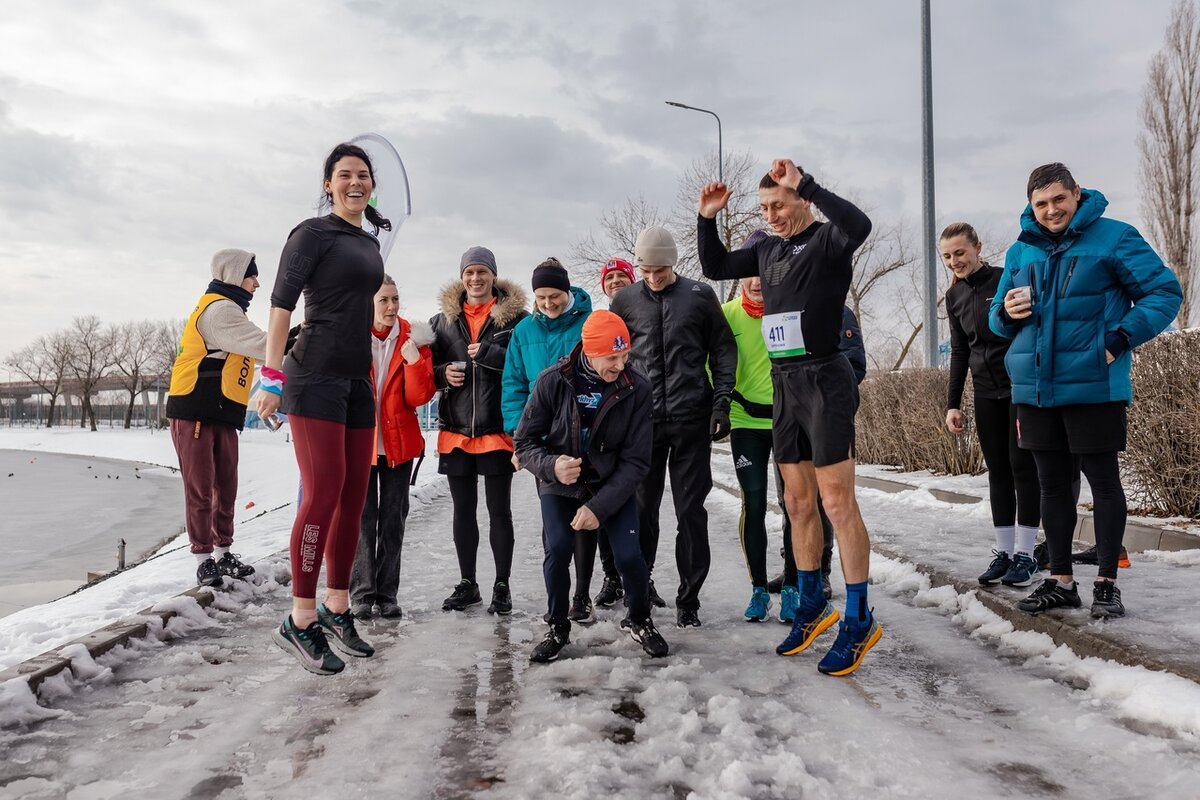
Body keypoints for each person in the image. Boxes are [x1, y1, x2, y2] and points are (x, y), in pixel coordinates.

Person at [698, 158, 881, 676]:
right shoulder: (765, 249)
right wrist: (707, 218)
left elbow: (860, 225)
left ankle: (859, 617)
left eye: (779, 205)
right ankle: (811, 604)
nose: (772, 215)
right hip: (785, 383)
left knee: (836, 502)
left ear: (801, 199)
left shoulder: (828, 240)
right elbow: (715, 268)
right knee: (798, 502)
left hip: (826, 379)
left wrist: (811, 185)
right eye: (764, 208)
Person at [989, 163, 1181, 619]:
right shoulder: (1021, 250)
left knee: (1104, 483)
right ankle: (1060, 580)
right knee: (1051, 486)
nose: (1051, 210)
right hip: (1035, 389)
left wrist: (1117, 340)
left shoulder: (1114, 237)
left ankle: (1107, 583)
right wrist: (1007, 313)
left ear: (1076, 194)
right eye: (1041, 203)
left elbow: (1164, 292)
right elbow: (996, 315)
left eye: (1059, 199)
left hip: (1094, 383)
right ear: (1030, 207)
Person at [255, 142, 388, 675]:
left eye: (363, 175)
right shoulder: (310, 234)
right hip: (313, 378)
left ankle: (337, 606)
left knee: (355, 496)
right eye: (344, 175)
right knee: (324, 492)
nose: (355, 183)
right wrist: (271, 375)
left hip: (358, 379)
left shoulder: (369, 242)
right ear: (328, 184)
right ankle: (300, 618)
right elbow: (281, 305)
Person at [515, 310, 669, 662]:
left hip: (609, 482)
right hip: (561, 482)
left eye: (625, 355)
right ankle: (557, 625)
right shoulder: (552, 380)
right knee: (557, 549)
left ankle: (639, 618)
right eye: (612, 357)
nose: (620, 364)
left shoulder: (637, 387)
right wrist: (552, 466)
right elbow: (523, 443)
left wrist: (599, 507)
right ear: (589, 351)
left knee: (630, 555)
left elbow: (637, 462)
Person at [610, 226, 737, 627]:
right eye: (645, 270)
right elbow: (612, 357)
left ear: (673, 264)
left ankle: (689, 600)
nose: (653, 277)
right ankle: (641, 588)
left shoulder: (699, 296)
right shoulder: (624, 300)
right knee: (642, 510)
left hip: (690, 418)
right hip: (642, 422)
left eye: (660, 270)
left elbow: (722, 349)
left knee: (690, 512)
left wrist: (721, 401)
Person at [941, 222, 1043, 589]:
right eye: (948, 256)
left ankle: (1027, 554)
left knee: (1022, 467)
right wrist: (953, 403)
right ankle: (1004, 553)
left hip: (1018, 388)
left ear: (978, 247)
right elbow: (959, 351)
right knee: (997, 469)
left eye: (960, 253)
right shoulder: (953, 298)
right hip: (985, 393)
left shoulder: (1004, 279)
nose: (954, 261)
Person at [431, 246, 528, 615]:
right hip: (456, 431)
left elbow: (525, 365)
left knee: (499, 511)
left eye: (482, 272)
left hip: (496, 429)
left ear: (493, 275)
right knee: (463, 511)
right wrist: (443, 375)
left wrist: (488, 355)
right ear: (462, 276)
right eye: (469, 272)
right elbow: (430, 369)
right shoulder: (442, 321)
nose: (475, 279)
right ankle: (468, 583)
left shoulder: (516, 319)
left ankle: (502, 584)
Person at [501, 257, 595, 622]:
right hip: (544, 442)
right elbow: (513, 387)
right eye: (540, 297)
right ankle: (558, 597)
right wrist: (520, 439)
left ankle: (583, 594)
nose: (548, 304)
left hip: (587, 437)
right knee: (555, 525)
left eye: (554, 295)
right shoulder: (524, 332)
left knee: (586, 517)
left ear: (567, 291)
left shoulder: (589, 324)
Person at [166, 248, 267, 587]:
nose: (257, 283)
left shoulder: (231, 310)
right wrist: (311, 338)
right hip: (195, 410)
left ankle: (224, 554)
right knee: (202, 489)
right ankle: (203, 558)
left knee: (226, 487)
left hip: (221, 412)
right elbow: (266, 347)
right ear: (236, 275)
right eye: (252, 275)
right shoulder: (219, 311)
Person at [349, 275, 436, 620]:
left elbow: (420, 396)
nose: (391, 307)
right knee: (362, 520)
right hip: (361, 442)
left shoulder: (414, 339)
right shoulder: (352, 336)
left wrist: (414, 361)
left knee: (393, 521)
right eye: (383, 300)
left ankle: (387, 594)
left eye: (395, 299)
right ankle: (361, 594)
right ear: (368, 304)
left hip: (399, 443)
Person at [593, 256, 637, 609]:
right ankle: (611, 576)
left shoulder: (641, 311)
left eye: (623, 276)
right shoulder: (598, 322)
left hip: (639, 411)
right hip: (604, 419)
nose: (616, 282)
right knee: (603, 506)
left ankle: (640, 577)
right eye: (611, 278)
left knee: (639, 507)